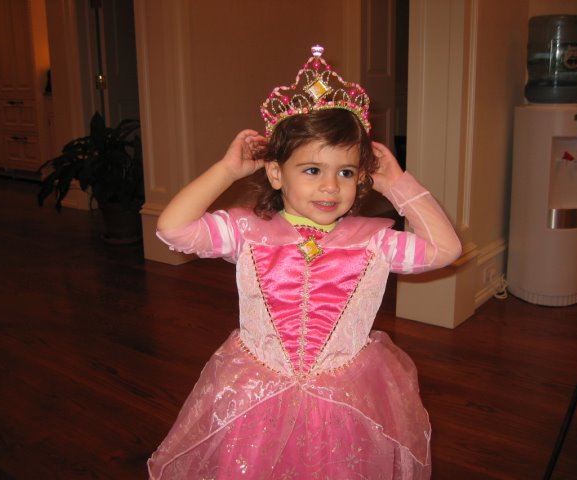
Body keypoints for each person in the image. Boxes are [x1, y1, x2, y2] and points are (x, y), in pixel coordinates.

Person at [148, 45, 461, 480]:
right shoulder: (247, 232)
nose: (330, 186)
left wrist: (399, 185)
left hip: (344, 402)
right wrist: (226, 171)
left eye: (345, 172)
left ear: (362, 177)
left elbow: (446, 250)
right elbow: (173, 228)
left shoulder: (375, 242)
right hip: (257, 396)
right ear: (276, 173)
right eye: (312, 170)